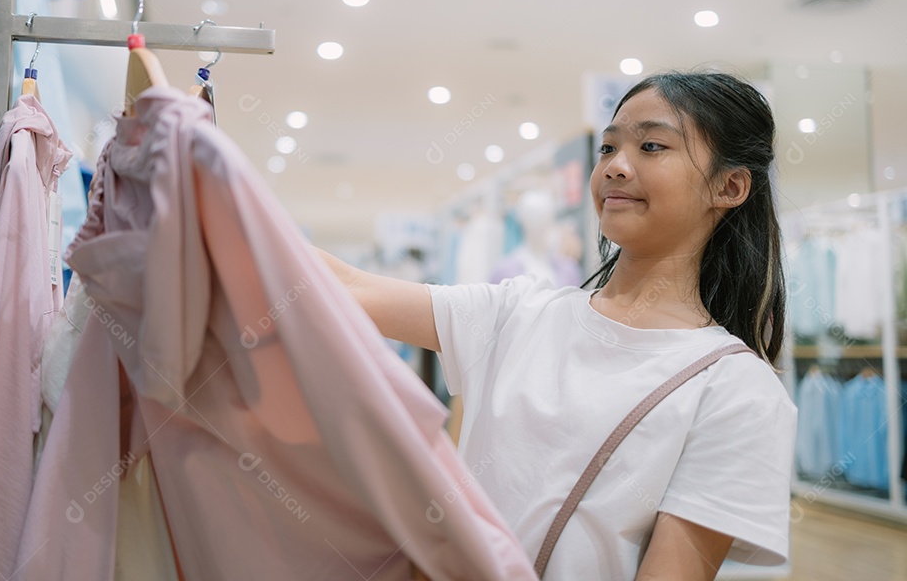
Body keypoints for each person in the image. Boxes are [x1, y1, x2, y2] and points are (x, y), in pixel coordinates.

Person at [318, 72, 796, 580]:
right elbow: (348, 288)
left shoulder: (738, 391)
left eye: (651, 146)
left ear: (730, 186)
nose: (616, 166)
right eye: (608, 147)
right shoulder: (519, 312)